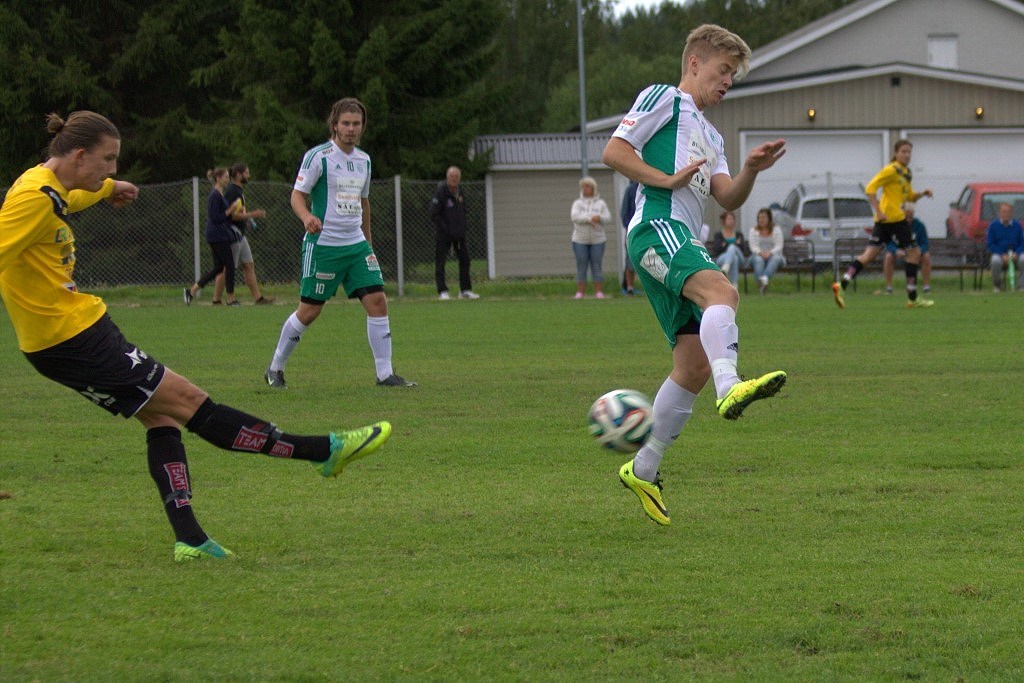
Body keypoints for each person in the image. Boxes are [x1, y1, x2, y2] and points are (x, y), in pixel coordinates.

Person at [0, 111, 392, 562]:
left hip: (64, 339)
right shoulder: (32, 198)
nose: (113, 168)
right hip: (72, 340)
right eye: (108, 161)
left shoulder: (46, 184)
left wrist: (108, 189)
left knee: (162, 418)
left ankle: (189, 538)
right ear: (80, 155)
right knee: (190, 402)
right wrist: (107, 188)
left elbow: (66, 199)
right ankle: (323, 451)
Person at [601, 23, 788, 526]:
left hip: (680, 236)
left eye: (733, 76)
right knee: (722, 291)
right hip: (656, 227)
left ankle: (643, 469)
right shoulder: (664, 98)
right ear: (694, 63)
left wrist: (750, 170)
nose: (728, 81)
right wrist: (665, 179)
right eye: (724, 71)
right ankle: (731, 388)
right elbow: (614, 152)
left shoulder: (712, 135)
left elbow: (727, 197)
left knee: (692, 364)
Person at [265, 97, 415, 388]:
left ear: (362, 127)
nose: (351, 129)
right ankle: (275, 368)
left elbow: (364, 202)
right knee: (309, 311)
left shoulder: (364, 160)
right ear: (334, 125)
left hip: (356, 246)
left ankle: (385, 374)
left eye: (356, 124)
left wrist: (368, 243)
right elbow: (297, 195)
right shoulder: (319, 157)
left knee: (377, 301)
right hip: (324, 245)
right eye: (345, 123)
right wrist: (306, 216)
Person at [833, 139, 934, 309]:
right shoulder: (891, 170)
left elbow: (909, 196)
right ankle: (912, 297)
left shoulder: (906, 173)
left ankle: (841, 284)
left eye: (909, 152)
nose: (907, 155)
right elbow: (870, 188)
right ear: (896, 153)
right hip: (895, 219)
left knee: (868, 256)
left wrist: (922, 194)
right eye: (903, 151)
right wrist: (878, 210)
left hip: (885, 222)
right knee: (914, 253)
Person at [212, 162, 274, 305]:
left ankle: (258, 298)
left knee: (248, 265)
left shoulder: (238, 191)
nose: (248, 176)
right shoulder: (232, 192)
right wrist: (253, 214)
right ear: (239, 175)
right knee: (227, 268)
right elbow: (230, 215)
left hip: (241, 234)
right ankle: (216, 299)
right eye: (246, 173)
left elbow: (238, 213)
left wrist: (245, 220)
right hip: (233, 235)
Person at [184, 168, 242, 306]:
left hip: (219, 234)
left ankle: (191, 291)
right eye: (226, 177)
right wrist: (230, 209)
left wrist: (234, 211)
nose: (228, 180)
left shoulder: (220, 194)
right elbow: (215, 217)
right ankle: (230, 298)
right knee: (229, 265)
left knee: (219, 267)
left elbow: (225, 217)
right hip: (217, 235)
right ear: (219, 178)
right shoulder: (214, 195)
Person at [430, 165, 478, 300]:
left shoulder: (460, 192)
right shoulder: (440, 192)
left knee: (465, 260)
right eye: (452, 176)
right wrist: (445, 228)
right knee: (441, 262)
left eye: (456, 177)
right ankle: (442, 291)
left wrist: (462, 227)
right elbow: (433, 214)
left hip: (459, 235)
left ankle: (465, 290)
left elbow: (464, 210)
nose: (454, 179)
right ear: (447, 177)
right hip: (444, 235)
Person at [570, 176, 612, 299]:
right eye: (583, 186)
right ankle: (580, 292)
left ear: (593, 188)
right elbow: (575, 217)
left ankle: (598, 292)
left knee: (596, 265)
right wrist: (590, 219)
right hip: (579, 240)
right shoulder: (577, 203)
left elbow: (607, 217)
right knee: (581, 265)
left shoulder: (601, 203)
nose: (585, 189)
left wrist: (599, 218)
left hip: (598, 240)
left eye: (587, 186)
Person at [882, 202, 930, 294]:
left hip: (915, 255)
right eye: (905, 217)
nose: (908, 220)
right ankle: (889, 287)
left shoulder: (919, 226)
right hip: (900, 255)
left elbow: (925, 244)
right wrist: (896, 251)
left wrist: (919, 251)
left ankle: (926, 287)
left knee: (926, 256)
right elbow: (889, 243)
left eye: (910, 217)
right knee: (888, 257)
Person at [986, 202, 1024, 292]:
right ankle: (998, 286)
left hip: (1015, 255)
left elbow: (1022, 243)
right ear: (1000, 213)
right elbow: (991, 244)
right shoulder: (993, 226)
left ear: (1011, 213)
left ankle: (1021, 286)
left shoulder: (1017, 226)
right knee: (995, 261)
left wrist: (1016, 253)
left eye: (1008, 212)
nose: (1006, 214)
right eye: (1004, 212)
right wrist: (1002, 255)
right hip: (1000, 255)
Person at [747, 207, 785, 294]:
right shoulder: (753, 230)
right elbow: (753, 246)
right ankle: (762, 285)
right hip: (757, 255)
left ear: (769, 219)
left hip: (774, 256)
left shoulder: (777, 229)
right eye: (759, 217)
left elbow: (779, 245)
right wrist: (760, 253)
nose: (761, 220)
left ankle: (764, 279)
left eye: (764, 217)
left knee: (776, 258)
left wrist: (770, 253)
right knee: (758, 260)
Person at [707, 209, 749, 287]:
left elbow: (744, 249)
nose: (731, 221)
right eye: (729, 219)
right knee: (734, 258)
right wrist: (736, 243)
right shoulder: (718, 235)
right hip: (722, 258)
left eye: (732, 219)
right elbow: (717, 249)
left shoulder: (739, 234)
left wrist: (726, 245)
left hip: (741, 259)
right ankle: (734, 285)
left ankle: (726, 267)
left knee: (733, 248)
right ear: (723, 221)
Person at [620, 181, 639, 295]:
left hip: (646, 229)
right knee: (630, 259)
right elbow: (624, 212)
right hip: (632, 229)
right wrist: (630, 226)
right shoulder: (631, 190)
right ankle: (629, 287)